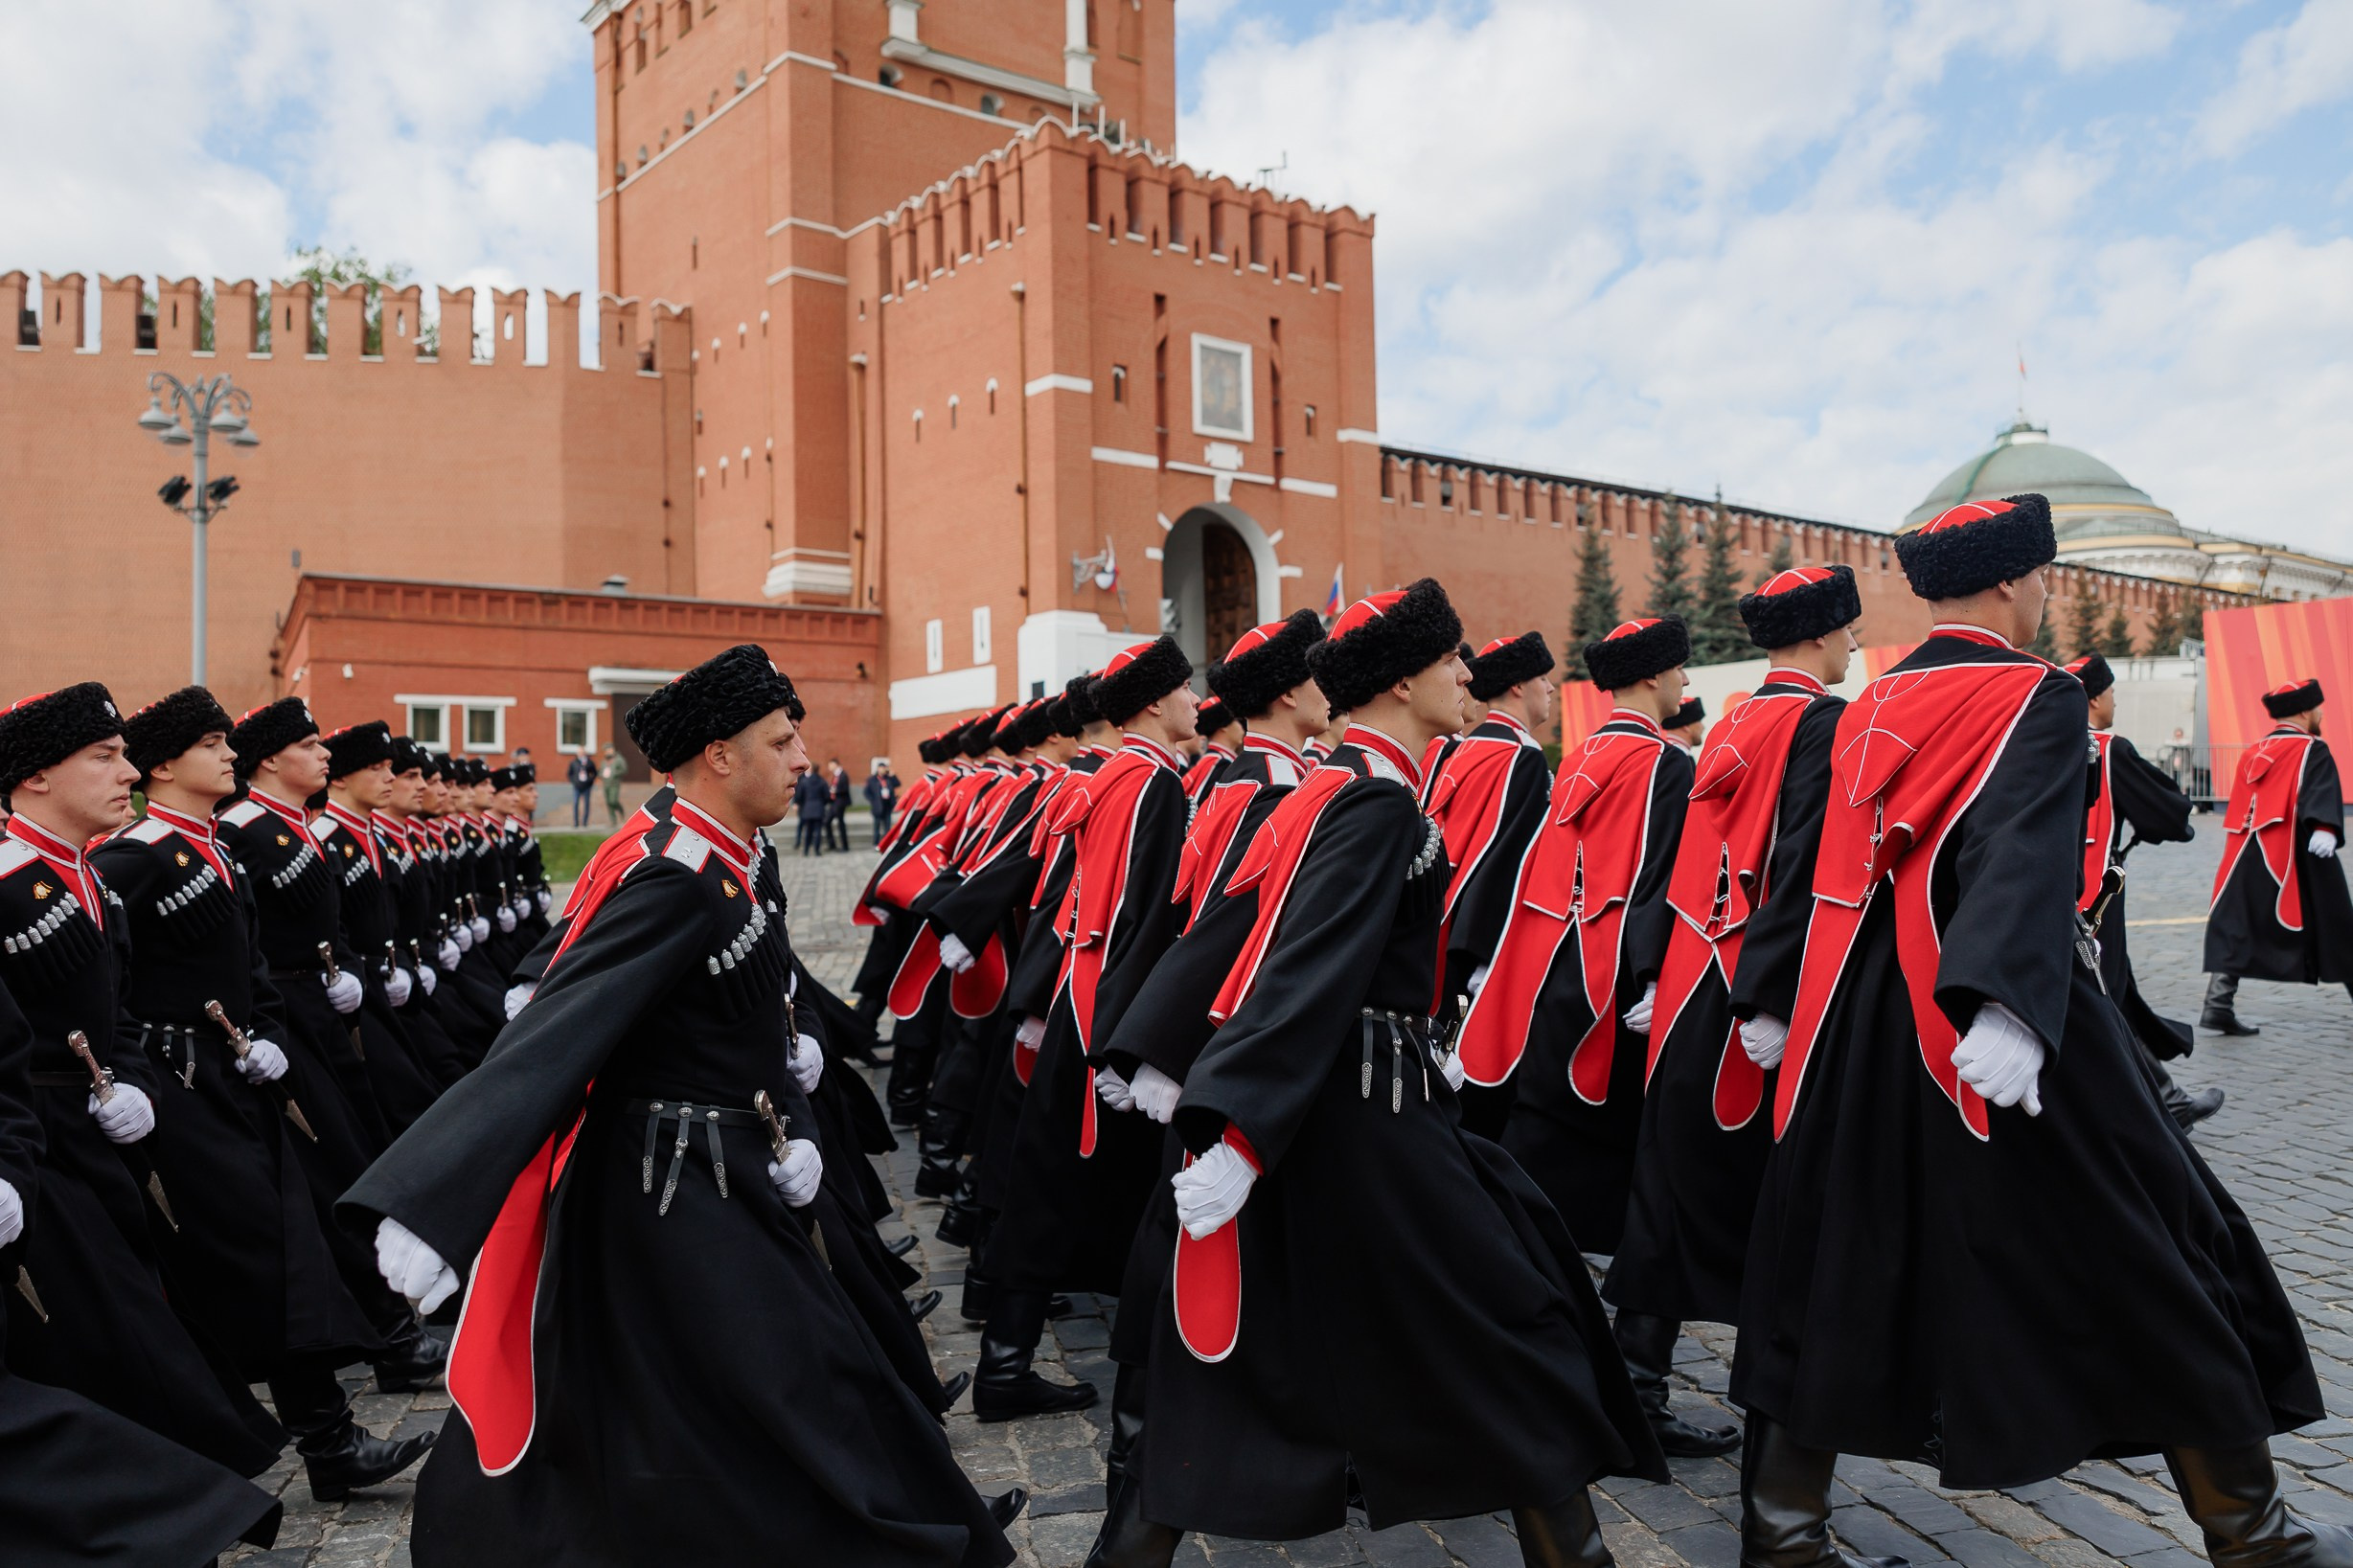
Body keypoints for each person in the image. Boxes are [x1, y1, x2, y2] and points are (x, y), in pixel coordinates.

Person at [1733, 495, 2338, 1568]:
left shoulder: (1861, 706)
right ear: (2017, 582)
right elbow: (2019, 852)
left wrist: (1770, 999)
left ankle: (1781, 1533)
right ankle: (2254, 1535)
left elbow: (1808, 866)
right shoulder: (2037, 696)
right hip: (1991, 1007)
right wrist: (2009, 1005)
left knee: (1830, 1251)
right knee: (2154, 1233)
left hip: (1852, 1018)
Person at [343, 644, 1024, 1565]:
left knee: (791, 1375)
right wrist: (433, 1195)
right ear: (720, 755)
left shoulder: (731, 858)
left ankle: (905, 1524)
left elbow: (743, 1003)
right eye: (782, 742)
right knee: (757, 1383)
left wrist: (785, 1087)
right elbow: (555, 1034)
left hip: (730, 1168)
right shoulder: (674, 877)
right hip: (670, 1190)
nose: (802, 760)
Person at [1133, 579, 1667, 1567]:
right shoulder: (1372, 800)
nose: (1469, 673)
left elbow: (1238, 928)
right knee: (1518, 1331)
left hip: (1359, 1109)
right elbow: (1303, 960)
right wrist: (1237, 1126)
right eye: (1452, 657)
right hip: (1368, 1123)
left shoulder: (1334, 786)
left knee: (1247, 1364)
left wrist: (1173, 1065)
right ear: (1404, 676)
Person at [95, 688, 435, 1498]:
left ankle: (330, 1439)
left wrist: (272, 1033)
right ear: (166, 765)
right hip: (181, 1084)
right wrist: (139, 1065)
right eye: (211, 744)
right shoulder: (133, 856)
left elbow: (247, 968)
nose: (227, 754)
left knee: (285, 1242)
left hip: (243, 1072)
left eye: (227, 741)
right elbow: (113, 984)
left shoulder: (210, 845)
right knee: (258, 1252)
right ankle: (315, 1432)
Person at [1083, 608, 1328, 1563]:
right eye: (1315, 673)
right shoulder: (1266, 787)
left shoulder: (1230, 779)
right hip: (1243, 1054)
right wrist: (1155, 1049)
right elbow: (1221, 930)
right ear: (1287, 692)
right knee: (1202, 1278)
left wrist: (1141, 1042)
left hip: (1210, 1051)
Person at [0, 683, 290, 1477]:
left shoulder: (89, 876)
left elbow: (122, 1010)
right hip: (38, 1154)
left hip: (100, 1145)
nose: (128, 769)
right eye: (104, 756)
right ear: (35, 778)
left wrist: (127, 1077)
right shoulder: (11, 882)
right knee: (105, 1346)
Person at [1604, 567, 1861, 1461]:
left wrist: (1649, 975)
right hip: (1754, 985)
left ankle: (1637, 1385)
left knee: (1669, 1183)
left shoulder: (1736, 720)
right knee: (1780, 1203)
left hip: (1685, 980)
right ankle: (1782, 1436)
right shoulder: (1821, 721)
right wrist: (1773, 995)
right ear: (1822, 635)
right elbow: (1803, 864)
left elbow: (1674, 863)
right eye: (1849, 632)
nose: (1856, 646)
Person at [974, 637, 1197, 1421]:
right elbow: (1150, 917)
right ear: (1150, 705)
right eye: (1182, 690)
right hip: (1110, 1005)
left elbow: (1067, 903)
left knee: (1047, 1179)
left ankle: (1005, 1361)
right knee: (1144, 1191)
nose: (1193, 701)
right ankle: (1171, 1367)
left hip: (1076, 988)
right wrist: (1129, 1043)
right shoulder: (1157, 785)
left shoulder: (1107, 777)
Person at [0, 974, 288, 1566]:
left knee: (131, 1338)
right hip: (61, 1151)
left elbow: (113, 1004)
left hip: (72, 1145)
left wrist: (129, 1079)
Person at [1460, 616, 1693, 1261]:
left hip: (1546, 963)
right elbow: (1661, 872)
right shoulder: (1665, 761)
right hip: (1611, 975)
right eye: (1678, 668)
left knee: (1541, 1130)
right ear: (1651, 676)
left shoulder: (1580, 753)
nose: (1685, 680)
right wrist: (1653, 973)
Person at [2066, 653, 2221, 1129]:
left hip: (2052, 891)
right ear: (2094, 698)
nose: (2115, 702)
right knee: (2101, 995)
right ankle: (2164, 1100)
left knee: (2107, 990)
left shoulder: (2039, 741)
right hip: (2098, 896)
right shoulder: (2109, 749)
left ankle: (2164, 1096)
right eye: (2111, 693)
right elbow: (2169, 812)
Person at [1417, 630, 1559, 1139]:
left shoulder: (1458, 749)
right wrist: (1482, 961)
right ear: (1519, 688)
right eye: (1545, 680)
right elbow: (1504, 866)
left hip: (1435, 928)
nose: (1552, 690)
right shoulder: (1519, 757)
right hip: (1478, 951)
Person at [2201, 677, 2351, 1034]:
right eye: (2317, 708)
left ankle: (2217, 1005)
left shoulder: (2254, 751)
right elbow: (2319, 790)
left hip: (2247, 851)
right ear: (2303, 711)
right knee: (2338, 926)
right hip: (2299, 852)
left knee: (2237, 925)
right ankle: (2217, 1008)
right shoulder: (2313, 749)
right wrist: (2326, 828)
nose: (2321, 713)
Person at [1179, 698, 1243, 806]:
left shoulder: (1211, 762)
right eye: (1238, 721)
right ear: (1224, 726)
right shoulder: (1221, 765)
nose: (1242, 728)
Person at [794, 760, 831, 855]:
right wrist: (822, 803)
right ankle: (817, 850)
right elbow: (827, 796)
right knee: (818, 831)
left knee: (808, 831)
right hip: (819, 808)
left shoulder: (804, 782)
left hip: (807, 809)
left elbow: (799, 795)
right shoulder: (822, 781)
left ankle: (806, 850)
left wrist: (800, 803)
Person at [866, 757, 901, 847]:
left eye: (884, 768)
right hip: (877, 805)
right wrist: (873, 800)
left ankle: (887, 842)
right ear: (878, 769)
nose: (883, 770)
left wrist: (893, 775)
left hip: (887, 805)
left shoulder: (888, 778)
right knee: (877, 826)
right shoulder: (872, 779)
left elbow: (898, 784)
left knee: (887, 826)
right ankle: (876, 843)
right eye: (881, 768)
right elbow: (867, 792)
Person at [827, 757, 854, 852]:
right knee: (827, 821)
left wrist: (835, 790)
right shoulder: (835, 775)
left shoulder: (843, 775)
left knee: (840, 823)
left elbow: (844, 789)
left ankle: (845, 846)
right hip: (834, 802)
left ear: (835, 764)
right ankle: (832, 844)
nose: (829, 767)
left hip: (840, 802)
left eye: (830, 765)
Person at [566, 750, 597, 829]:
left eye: (582, 753)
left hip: (586, 786)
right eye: (579, 753)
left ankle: (585, 822)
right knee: (576, 803)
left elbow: (594, 773)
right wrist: (574, 781)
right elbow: (570, 774)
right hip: (577, 786)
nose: (581, 754)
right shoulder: (574, 763)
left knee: (586, 804)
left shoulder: (589, 762)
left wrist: (590, 781)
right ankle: (576, 822)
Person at [599, 744, 626, 828]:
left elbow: (624, 769)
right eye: (606, 751)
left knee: (613, 801)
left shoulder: (619, 759)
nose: (607, 752)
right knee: (608, 803)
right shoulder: (604, 761)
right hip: (606, 784)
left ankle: (620, 810)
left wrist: (615, 774)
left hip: (614, 783)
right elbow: (601, 771)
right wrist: (601, 774)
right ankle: (613, 821)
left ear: (612, 749)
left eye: (609, 750)